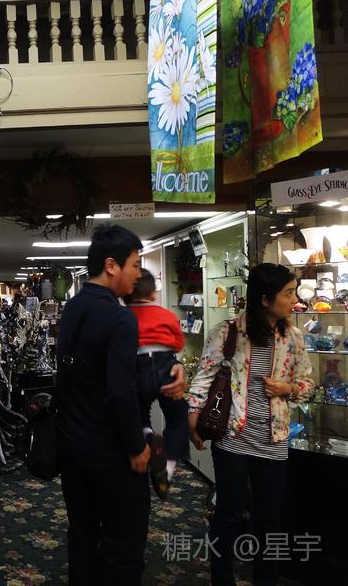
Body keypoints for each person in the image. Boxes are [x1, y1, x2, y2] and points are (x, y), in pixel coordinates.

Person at [57, 225, 186, 585]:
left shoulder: (73, 307)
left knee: (82, 537)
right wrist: (136, 446)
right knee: (124, 547)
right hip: (111, 451)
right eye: (135, 264)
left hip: (72, 446)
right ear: (111, 265)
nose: (138, 274)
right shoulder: (119, 317)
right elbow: (120, 391)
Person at [188, 263, 314, 586]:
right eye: (288, 293)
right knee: (228, 514)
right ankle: (222, 579)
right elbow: (204, 376)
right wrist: (193, 417)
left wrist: (286, 388)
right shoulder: (227, 332)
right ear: (265, 299)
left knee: (268, 520)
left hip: (274, 441)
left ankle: (266, 580)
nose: (295, 300)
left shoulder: (293, 337)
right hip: (233, 438)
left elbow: (306, 385)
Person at [125, 268, 188, 500]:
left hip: (136, 364)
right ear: (153, 293)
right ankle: (168, 466)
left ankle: (149, 436)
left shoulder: (124, 315)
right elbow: (178, 343)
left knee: (140, 411)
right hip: (165, 364)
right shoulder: (166, 314)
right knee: (178, 416)